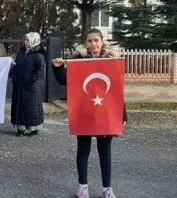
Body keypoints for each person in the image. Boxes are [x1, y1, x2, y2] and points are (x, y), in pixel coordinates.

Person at [51, 28, 127, 198]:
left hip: (105, 112)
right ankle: (82, 187)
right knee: (83, 150)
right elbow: (65, 80)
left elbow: (117, 90)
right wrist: (58, 68)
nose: (93, 44)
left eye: (96, 40)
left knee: (105, 151)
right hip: (84, 110)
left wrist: (123, 114)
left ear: (102, 41)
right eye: (89, 41)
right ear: (85, 43)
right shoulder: (79, 60)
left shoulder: (111, 61)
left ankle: (107, 188)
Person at [10, 32, 46, 137]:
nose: (25, 42)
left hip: (31, 87)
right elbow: (16, 66)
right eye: (25, 39)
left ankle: (33, 128)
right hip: (19, 85)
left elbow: (40, 70)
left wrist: (31, 80)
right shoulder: (21, 53)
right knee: (19, 106)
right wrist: (11, 74)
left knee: (31, 107)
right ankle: (20, 128)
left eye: (28, 40)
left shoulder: (38, 55)